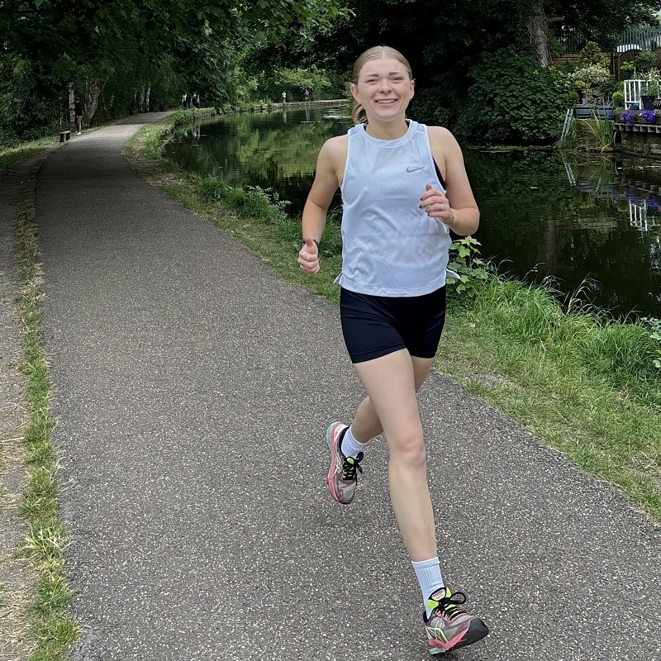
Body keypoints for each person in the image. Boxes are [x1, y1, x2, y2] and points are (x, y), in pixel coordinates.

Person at [297, 45, 489, 656]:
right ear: (355, 92)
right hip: (368, 304)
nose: (384, 88)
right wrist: (310, 243)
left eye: (395, 79)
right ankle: (438, 608)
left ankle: (346, 445)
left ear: (411, 87)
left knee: (394, 407)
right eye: (371, 80)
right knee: (408, 441)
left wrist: (448, 213)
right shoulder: (340, 151)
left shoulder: (438, 142)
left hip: (425, 302)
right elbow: (318, 202)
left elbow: (471, 218)